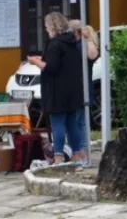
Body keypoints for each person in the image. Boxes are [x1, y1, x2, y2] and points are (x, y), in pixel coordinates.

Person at [27, 12, 87, 165]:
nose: (46, 30)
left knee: (58, 124)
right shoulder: (71, 41)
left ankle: (58, 157)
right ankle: (77, 154)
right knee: (72, 124)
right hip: (72, 90)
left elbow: (51, 67)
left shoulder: (55, 44)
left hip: (57, 91)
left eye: (47, 27)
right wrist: (42, 60)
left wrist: (35, 61)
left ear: (53, 26)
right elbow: (59, 62)